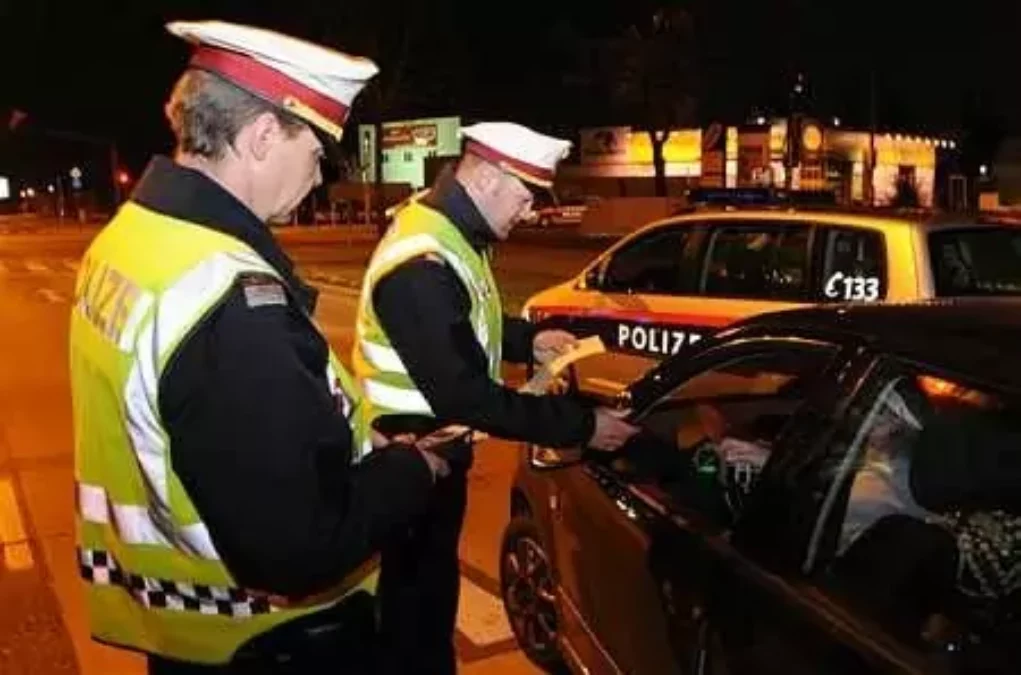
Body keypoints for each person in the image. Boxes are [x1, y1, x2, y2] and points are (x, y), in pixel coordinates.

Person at [69, 20, 448, 675]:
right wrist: (412, 471)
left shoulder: (133, 238)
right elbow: (299, 547)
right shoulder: (231, 300)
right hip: (268, 638)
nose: (319, 175)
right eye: (316, 152)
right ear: (263, 136)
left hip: (182, 627)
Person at [352, 121, 639, 674]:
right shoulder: (422, 264)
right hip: (412, 463)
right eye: (526, 196)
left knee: (427, 602)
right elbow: (466, 396)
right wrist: (582, 426)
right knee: (416, 620)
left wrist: (530, 340)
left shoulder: (448, 232)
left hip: (430, 454)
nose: (529, 212)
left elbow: (465, 317)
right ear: (486, 178)